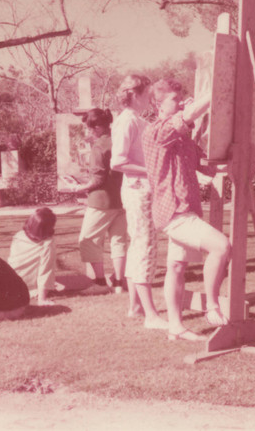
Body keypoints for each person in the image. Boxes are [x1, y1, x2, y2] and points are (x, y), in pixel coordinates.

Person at [142, 78, 231, 342]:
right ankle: (212, 306)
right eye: (174, 99)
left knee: (176, 266)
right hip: (174, 212)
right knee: (221, 247)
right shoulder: (156, 131)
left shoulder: (182, 139)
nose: (180, 103)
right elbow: (188, 115)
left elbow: (208, 166)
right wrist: (218, 91)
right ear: (159, 105)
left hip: (186, 209)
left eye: (182, 98)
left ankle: (175, 327)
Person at [110, 74, 168, 330]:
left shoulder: (136, 120)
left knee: (138, 246)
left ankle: (135, 306)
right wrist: (152, 171)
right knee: (145, 247)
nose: (150, 98)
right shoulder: (126, 121)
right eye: (146, 94)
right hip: (137, 191)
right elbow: (118, 162)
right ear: (134, 94)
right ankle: (151, 315)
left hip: (141, 190)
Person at [72, 108, 127, 294]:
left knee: (88, 240)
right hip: (121, 199)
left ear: (96, 127)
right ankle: (119, 282)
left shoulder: (99, 147)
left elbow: (97, 180)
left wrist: (78, 187)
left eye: (89, 128)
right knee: (118, 241)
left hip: (101, 201)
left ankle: (100, 282)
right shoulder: (119, 140)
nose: (88, 132)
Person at [8, 207, 59, 305]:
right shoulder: (48, 243)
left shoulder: (19, 235)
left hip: (11, 281)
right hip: (28, 286)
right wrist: (42, 299)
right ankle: (39, 292)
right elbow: (46, 270)